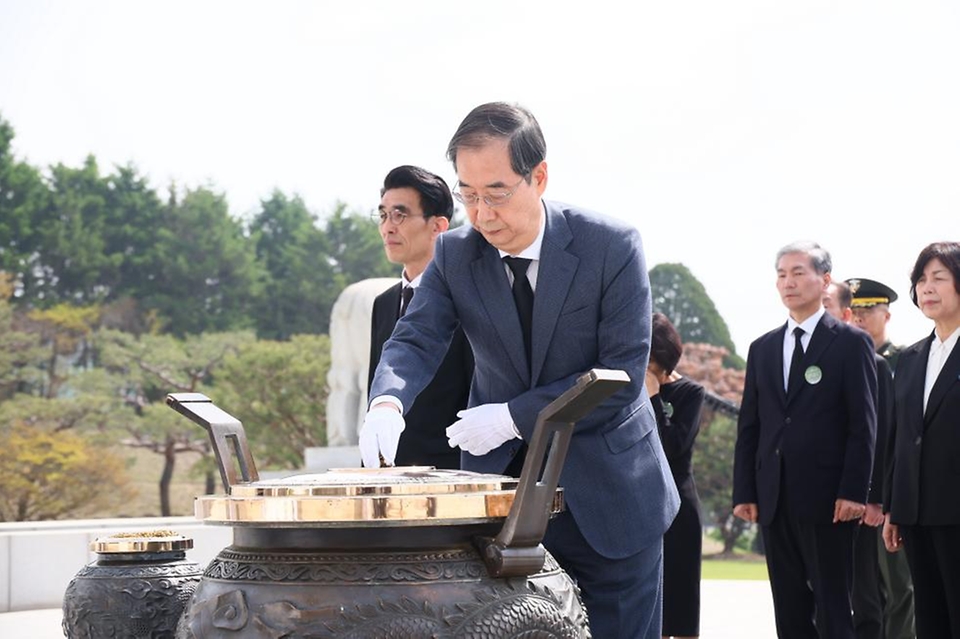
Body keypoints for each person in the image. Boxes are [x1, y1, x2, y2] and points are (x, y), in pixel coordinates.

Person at [361, 101, 679, 638]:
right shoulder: (456, 255)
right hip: (506, 503)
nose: (482, 214)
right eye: (468, 195)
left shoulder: (611, 246)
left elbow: (620, 377)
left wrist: (513, 417)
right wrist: (387, 401)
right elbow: (414, 338)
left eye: (497, 193)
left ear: (540, 177)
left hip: (613, 497)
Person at [733, 240, 877, 638]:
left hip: (829, 500)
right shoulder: (762, 348)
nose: (788, 282)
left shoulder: (850, 343)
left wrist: (853, 491)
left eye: (798, 272)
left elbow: (862, 424)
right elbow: (751, 426)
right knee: (789, 608)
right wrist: (745, 491)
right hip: (774, 499)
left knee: (833, 608)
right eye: (781, 274)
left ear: (824, 278)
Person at [366, 165, 473, 469]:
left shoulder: (466, 298)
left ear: (438, 226)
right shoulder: (384, 303)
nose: (388, 227)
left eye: (400, 215)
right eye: (383, 215)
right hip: (389, 481)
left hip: (451, 480)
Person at [882, 241, 960, 638]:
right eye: (921, 280)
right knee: (930, 620)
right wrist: (895, 507)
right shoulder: (911, 358)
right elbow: (900, 438)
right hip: (916, 515)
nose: (926, 287)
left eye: (939, 278)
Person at [846, 276, 916, 639]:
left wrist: (888, 498)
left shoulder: (905, 361)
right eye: (854, 310)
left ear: (886, 314)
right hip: (849, 493)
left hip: (890, 494)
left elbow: (901, 436)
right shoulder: (841, 361)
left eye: (869, 310)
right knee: (858, 590)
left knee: (898, 587)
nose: (860, 317)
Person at [824, 281, 895, 639]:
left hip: (862, 500)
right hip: (824, 496)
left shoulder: (879, 365)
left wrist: (875, 497)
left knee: (868, 596)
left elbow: (878, 437)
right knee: (825, 593)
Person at [645, 312, 705, 639]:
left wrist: (653, 397)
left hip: (679, 507)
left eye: (652, 359)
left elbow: (672, 447)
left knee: (681, 601)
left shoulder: (690, 393)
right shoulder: (626, 391)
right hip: (640, 507)